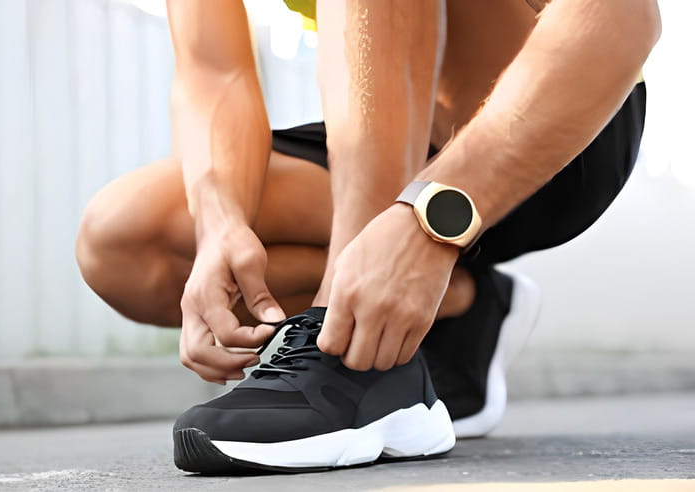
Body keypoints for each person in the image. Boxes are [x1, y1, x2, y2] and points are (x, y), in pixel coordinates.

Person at [75, 0, 659, 473]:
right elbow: (214, 72)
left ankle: (350, 358)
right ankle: (463, 314)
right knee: (124, 243)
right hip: (395, 137)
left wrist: (428, 221)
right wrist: (220, 222)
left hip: (553, 129)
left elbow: (623, 15)